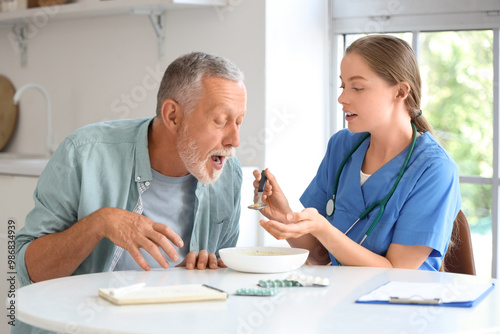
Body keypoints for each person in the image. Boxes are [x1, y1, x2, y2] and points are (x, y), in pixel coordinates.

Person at [15, 51, 246, 292]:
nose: (235, 140)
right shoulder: (84, 153)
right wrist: (100, 223)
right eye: (220, 121)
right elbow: (30, 272)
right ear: (173, 116)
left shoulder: (228, 175)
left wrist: (203, 275)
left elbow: (220, 283)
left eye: (239, 121)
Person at [254, 35, 461, 271]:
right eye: (343, 86)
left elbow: (398, 273)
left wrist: (323, 228)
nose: (342, 98)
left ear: (400, 92)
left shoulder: (434, 169)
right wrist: (284, 215)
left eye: (358, 87)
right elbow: (322, 257)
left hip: (400, 303)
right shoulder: (341, 147)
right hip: (338, 299)